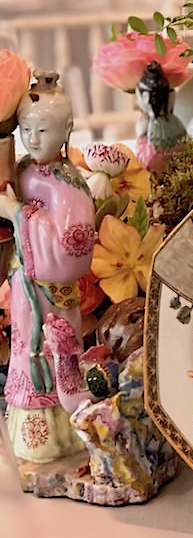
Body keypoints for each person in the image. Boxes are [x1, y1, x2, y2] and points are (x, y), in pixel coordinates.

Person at [0, 71, 95, 462]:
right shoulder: (22, 170)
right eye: (26, 129)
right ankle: (25, 423)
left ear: (67, 129)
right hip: (24, 288)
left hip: (53, 297)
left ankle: (57, 433)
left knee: (57, 358)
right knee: (25, 350)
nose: (33, 139)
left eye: (42, 129)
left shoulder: (67, 185)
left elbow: (72, 247)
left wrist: (18, 213)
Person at [134, 60, 186, 172]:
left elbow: (145, 161)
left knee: (154, 156)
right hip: (170, 122)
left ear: (145, 97)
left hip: (159, 126)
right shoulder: (169, 91)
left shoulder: (150, 122)